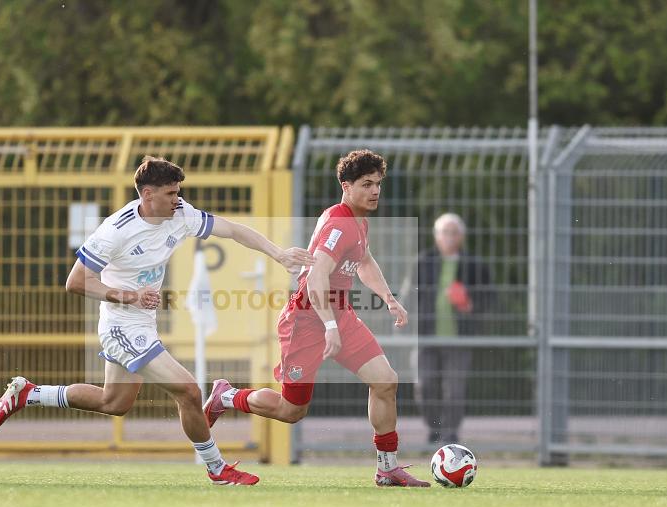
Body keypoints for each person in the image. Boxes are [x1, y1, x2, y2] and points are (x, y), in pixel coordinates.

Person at [0, 156, 314, 486]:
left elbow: (231, 230)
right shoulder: (115, 232)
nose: (178, 199)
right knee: (189, 391)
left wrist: (278, 254)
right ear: (147, 194)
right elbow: (75, 282)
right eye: (171, 193)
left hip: (141, 322)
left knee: (112, 402)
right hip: (121, 325)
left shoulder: (180, 214)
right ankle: (217, 469)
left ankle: (29, 394)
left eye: (178, 192)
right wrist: (130, 297)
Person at [203, 149, 430, 488]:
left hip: (340, 313)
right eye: (366, 184)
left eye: (378, 184)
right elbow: (316, 277)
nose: (375, 191)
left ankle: (387, 468)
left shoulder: (359, 222)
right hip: (307, 320)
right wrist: (330, 326)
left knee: (386, 381)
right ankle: (226, 396)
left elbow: (365, 262)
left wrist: (389, 298)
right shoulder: (339, 223)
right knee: (290, 411)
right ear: (345, 186)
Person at [414, 213, 492, 445]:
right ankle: (435, 429)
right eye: (444, 232)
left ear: (462, 237)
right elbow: (410, 294)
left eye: (454, 232)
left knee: (455, 389)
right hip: (425, 337)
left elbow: (489, 297)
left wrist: (470, 304)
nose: (449, 237)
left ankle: (450, 433)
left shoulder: (474, 265)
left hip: (460, 338)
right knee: (425, 385)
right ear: (436, 237)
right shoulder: (424, 261)